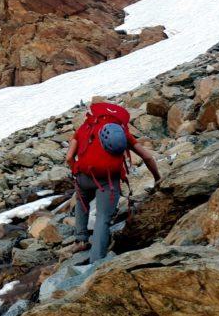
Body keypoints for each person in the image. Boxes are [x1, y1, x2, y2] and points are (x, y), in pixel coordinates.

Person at [65, 101, 161, 265]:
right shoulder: (122, 132)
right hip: (108, 180)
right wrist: (157, 177)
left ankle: (81, 240)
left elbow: (68, 157)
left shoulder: (85, 128)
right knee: (103, 219)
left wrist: (76, 171)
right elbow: (147, 157)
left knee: (82, 201)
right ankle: (96, 262)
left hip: (84, 177)